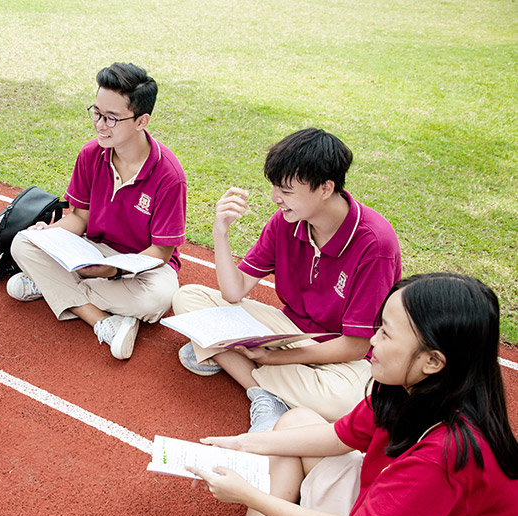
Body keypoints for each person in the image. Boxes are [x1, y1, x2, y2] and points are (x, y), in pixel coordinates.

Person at [165, 274, 518, 516]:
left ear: (432, 361)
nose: (372, 342)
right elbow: (338, 437)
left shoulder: (446, 455)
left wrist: (251, 494)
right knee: (297, 419)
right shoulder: (410, 388)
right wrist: (244, 442)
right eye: (379, 327)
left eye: (386, 334)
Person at [171, 128, 401, 431]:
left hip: (342, 356)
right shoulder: (285, 221)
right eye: (275, 187)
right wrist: (220, 231)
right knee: (187, 297)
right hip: (288, 332)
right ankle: (262, 393)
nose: (275, 198)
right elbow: (233, 291)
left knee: (344, 402)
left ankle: (225, 354)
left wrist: (271, 359)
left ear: (325, 188)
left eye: (287, 190)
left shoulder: (375, 245)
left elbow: (355, 347)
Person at [7, 63, 187, 360]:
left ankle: (51, 285)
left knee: (158, 299)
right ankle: (103, 320)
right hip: (91, 250)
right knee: (22, 242)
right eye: (97, 112)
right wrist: (48, 235)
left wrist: (114, 269)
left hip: (141, 265)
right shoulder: (90, 154)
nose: (100, 124)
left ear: (142, 121)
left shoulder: (169, 175)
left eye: (112, 118)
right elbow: (79, 218)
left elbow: (161, 253)